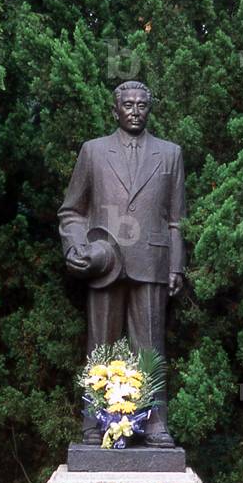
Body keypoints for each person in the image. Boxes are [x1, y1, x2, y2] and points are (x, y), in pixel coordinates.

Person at [58, 81, 186, 447]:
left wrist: (176, 266)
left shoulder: (170, 153)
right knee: (100, 345)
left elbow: (178, 219)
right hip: (104, 264)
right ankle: (92, 422)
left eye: (141, 105)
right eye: (127, 105)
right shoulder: (93, 152)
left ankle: (156, 421)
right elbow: (72, 211)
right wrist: (77, 249)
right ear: (115, 110)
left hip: (152, 261)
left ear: (149, 109)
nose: (134, 110)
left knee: (151, 346)